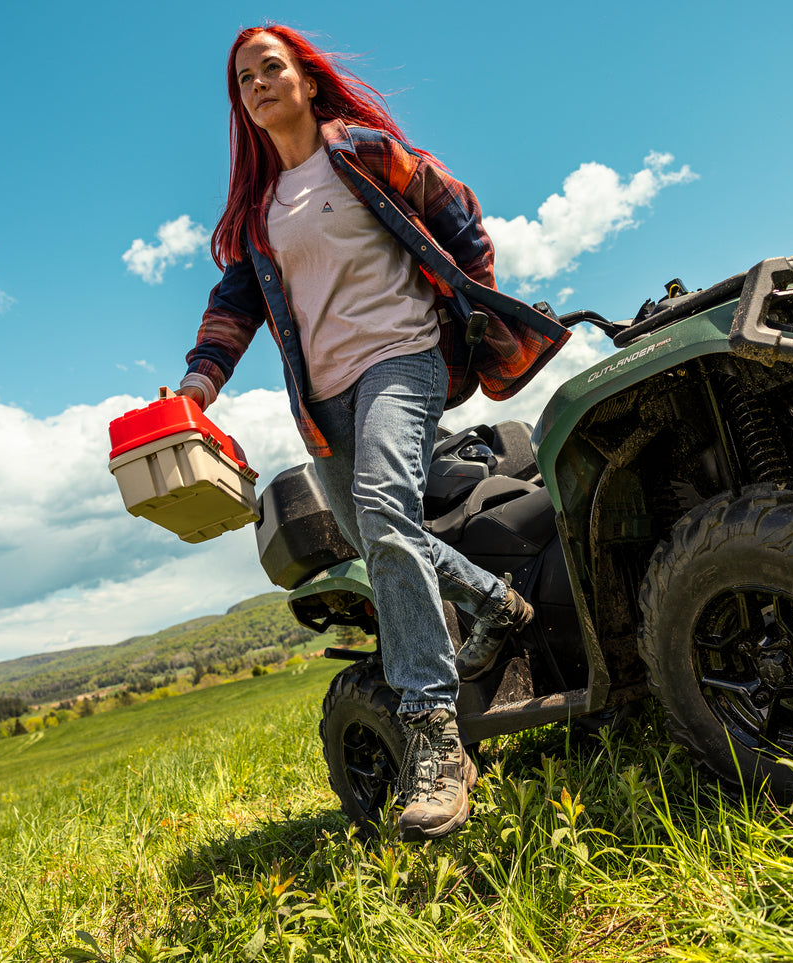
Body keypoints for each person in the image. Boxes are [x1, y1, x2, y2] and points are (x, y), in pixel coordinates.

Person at [178, 24, 569, 840]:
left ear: (307, 80)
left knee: (389, 517)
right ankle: (498, 603)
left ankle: (435, 738)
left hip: (403, 358)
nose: (256, 84)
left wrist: (463, 310)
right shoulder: (256, 215)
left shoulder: (359, 152)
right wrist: (197, 384)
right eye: (242, 79)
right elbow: (234, 308)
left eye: (270, 68)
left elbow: (457, 215)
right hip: (325, 401)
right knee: (379, 535)